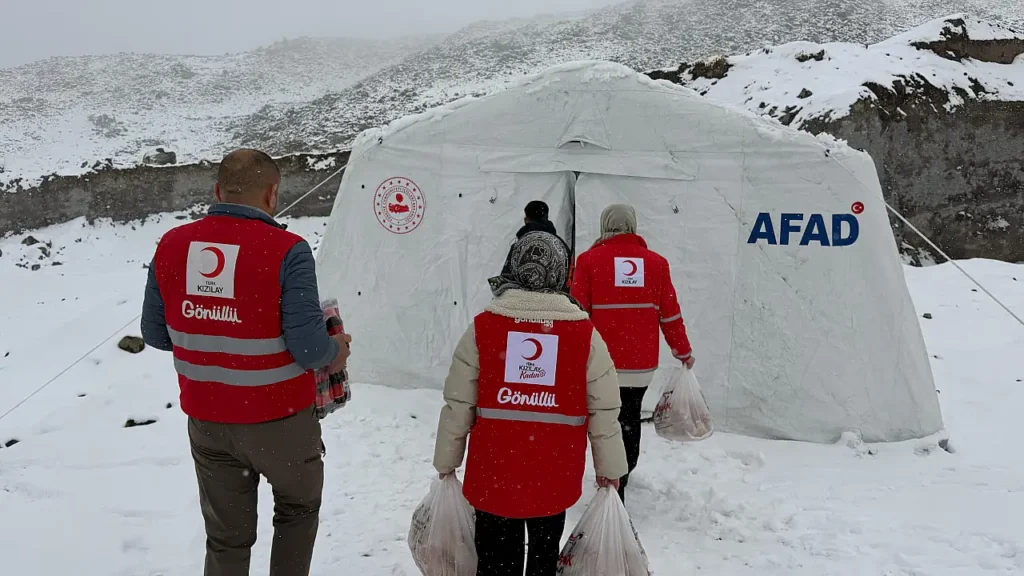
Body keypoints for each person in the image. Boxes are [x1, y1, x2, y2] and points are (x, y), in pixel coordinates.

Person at [140, 149, 352, 576]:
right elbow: (309, 350)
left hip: (208, 423)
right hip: (281, 422)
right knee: (297, 512)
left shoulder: (172, 244)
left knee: (226, 538)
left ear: (218, 191)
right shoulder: (289, 250)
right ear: (272, 194)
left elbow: (156, 334)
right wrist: (337, 351)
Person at [434, 231, 628, 576]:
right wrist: (610, 468)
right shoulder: (584, 335)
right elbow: (605, 410)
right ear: (561, 272)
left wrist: (446, 461)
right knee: (543, 558)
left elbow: (458, 403)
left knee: (495, 562)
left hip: (493, 473)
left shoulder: (483, 327)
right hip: (554, 476)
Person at [570, 203, 695, 503]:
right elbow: (670, 314)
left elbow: (576, 314)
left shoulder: (588, 261)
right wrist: (683, 351)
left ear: (605, 225)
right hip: (640, 366)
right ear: (633, 225)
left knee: (604, 419)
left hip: (602, 364)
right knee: (630, 415)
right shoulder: (656, 264)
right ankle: (625, 468)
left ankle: (610, 475)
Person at [493, 200, 573, 294]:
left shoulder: (519, 246)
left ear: (526, 220)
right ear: (546, 217)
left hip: (521, 299)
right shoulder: (561, 246)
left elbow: (506, 279)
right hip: (555, 299)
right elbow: (569, 277)